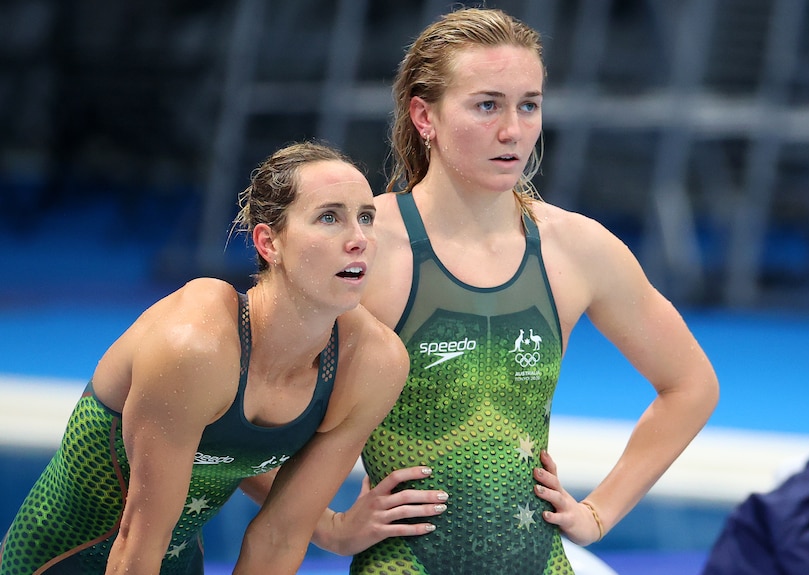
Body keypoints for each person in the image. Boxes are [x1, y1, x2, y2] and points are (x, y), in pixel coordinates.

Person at [309, 7, 720, 575]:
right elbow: (234, 405)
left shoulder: (578, 249)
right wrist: (327, 526)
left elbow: (691, 385)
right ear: (424, 116)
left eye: (529, 104)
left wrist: (599, 514)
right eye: (487, 105)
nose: (513, 130)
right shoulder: (365, 248)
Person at [0, 141, 408, 574]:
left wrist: (330, 527)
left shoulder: (373, 362)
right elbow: (138, 539)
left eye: (366, 217)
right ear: (269, 243)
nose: (359, 239)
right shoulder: (195, 345)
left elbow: (280, 537)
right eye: (329, 217)